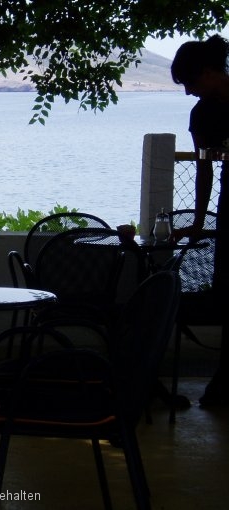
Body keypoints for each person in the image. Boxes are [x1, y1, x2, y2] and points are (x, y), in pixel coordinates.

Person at [171, 34, 229, 406]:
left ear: (209, 73)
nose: (190, 92)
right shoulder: (203, 114)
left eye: (191, 83)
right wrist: (199, 219)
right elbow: (205, 168)